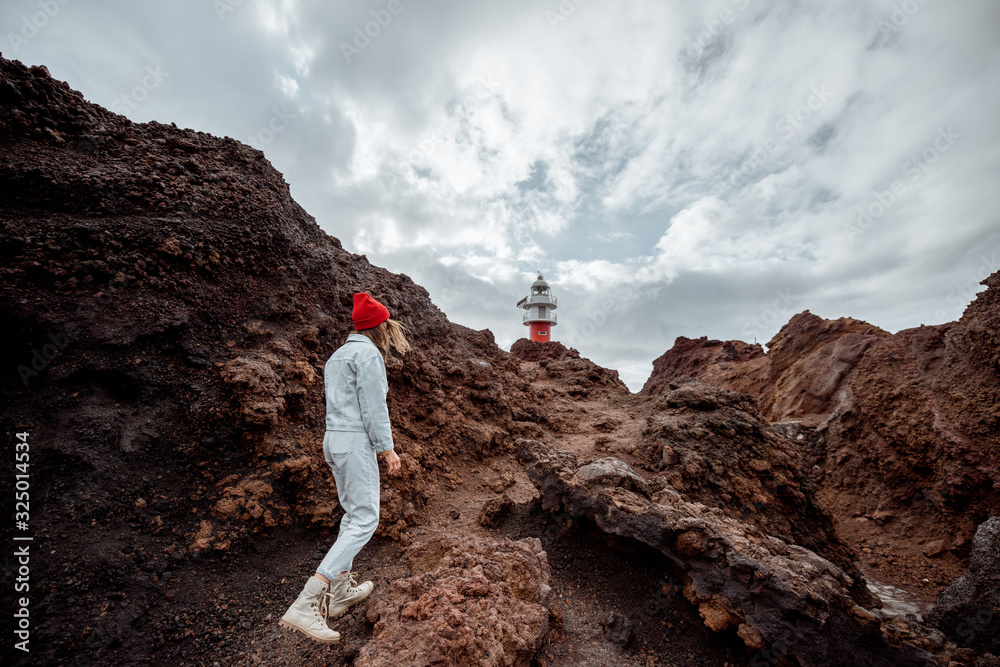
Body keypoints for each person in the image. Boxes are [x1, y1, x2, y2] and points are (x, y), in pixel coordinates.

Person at [279, 292, 410, 644]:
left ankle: (339, 593)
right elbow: (373, 407)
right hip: (354, 442)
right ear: (379, 327)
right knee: (366, 517)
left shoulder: (338, 355)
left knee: (352, 515)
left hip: (333, 439)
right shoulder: (367, 355)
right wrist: (387, 449)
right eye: (386, 325)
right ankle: (307, 603)